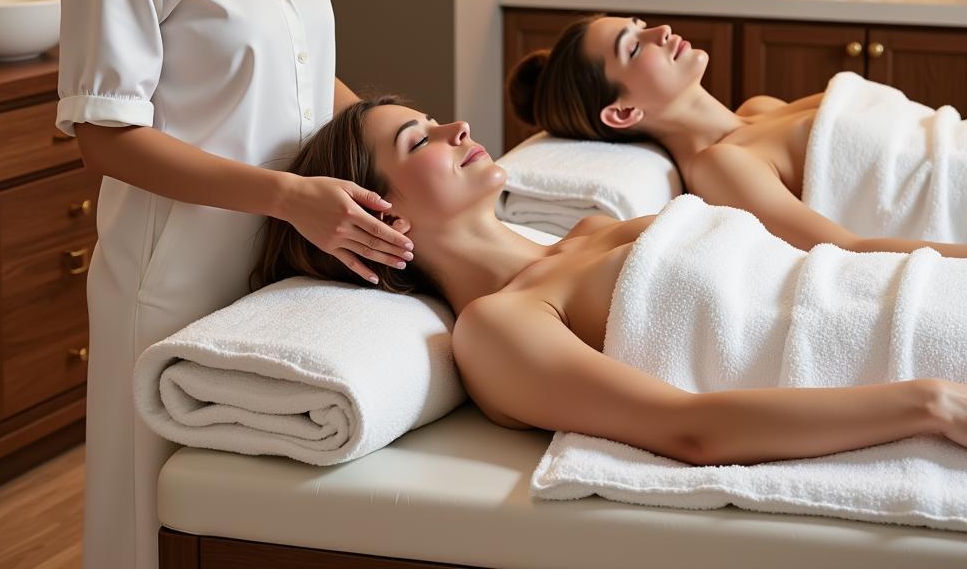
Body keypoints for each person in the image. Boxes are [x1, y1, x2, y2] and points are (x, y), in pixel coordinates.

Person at [56, 0, 414, 569]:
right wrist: (288, 194)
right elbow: (104, 135)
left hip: (282, 257)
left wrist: (398, 143)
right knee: (153, 522)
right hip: (175, 278)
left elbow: (305, 75)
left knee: (245, 522)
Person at [251, 96, 967, 466]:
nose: (459, 129)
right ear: (380, 216)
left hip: (911, 292)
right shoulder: (500, 325)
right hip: (912, 349)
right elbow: (689, 432)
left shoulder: (591, 232)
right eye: (421, 141)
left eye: (436, 122)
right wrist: (929, 403)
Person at [506, 14, 967, 258]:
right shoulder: (719, 166)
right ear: (623, 111)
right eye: (634, 46)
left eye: (641, 27)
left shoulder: (759, 110)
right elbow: (844, 248)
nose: (661, 32)